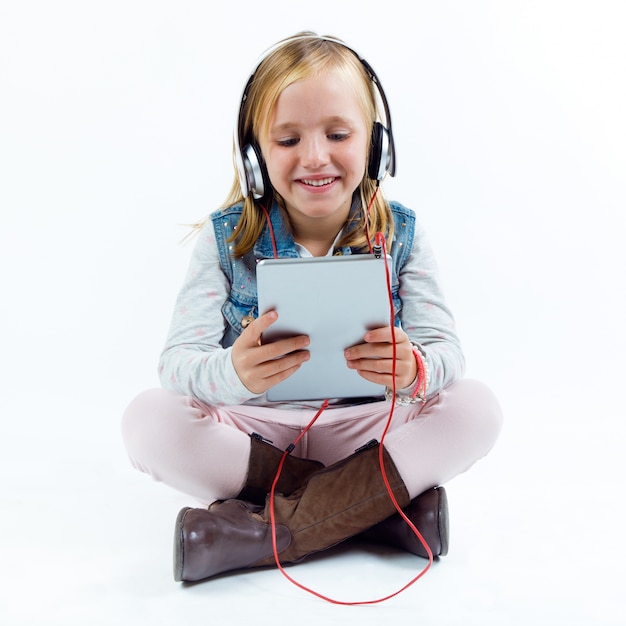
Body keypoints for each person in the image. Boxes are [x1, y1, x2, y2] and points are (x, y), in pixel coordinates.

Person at [121, 31, 503, 584]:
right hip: (260, 432)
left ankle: (260, 532)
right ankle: (371, 511)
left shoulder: (403, 234)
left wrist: (415, 368)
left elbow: (447, 353)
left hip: (369, 427)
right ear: (255, 156)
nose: (315, 157)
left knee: (477, 407)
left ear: (375, 145)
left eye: (338, 134)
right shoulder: (226, 240)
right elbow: (178, 364)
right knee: (147, 419)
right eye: (288, 140)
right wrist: (232, 374)